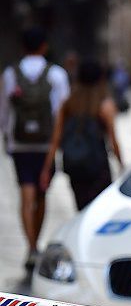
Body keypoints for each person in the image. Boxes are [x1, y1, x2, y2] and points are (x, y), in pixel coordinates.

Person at [0, 27, 70, 270]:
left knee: (25, 191)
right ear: (44, 46)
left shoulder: (11, 74)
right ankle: (35, 241)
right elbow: (61, 113)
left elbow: (5, 110)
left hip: (20, 143)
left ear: (22, 47)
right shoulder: (57, 75)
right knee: (41, 194)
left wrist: (7, 138)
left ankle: (30, 246)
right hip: (46, 144)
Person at [40, 59, 123, 210]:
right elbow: (113, 140)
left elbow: (56, 138)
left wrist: (47, 168)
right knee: (100, 210)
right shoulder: (104, 105)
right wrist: (121, 165)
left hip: (75, 165)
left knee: (82, 208)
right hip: (98, 167)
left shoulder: (68, 104)